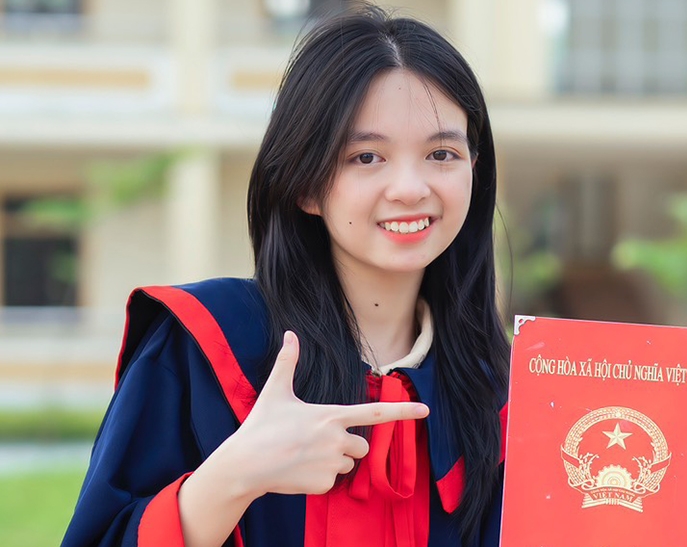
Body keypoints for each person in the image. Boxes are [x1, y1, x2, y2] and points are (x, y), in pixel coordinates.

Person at [62, 4, 510, 547]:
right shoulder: (206, 346)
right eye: (366, 157)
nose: (411, 188)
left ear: (474, 170)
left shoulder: (501, 391)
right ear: (304, 184)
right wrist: (234, 477)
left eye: (442, 153)